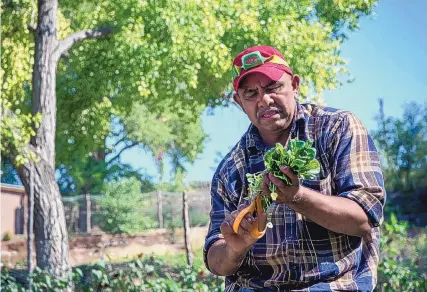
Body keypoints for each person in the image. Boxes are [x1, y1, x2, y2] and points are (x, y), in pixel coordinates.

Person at [203, 45, 386, 291]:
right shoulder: (231, 169)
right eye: (251, 93)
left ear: (295, 85)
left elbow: (364, 218)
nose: (264, 100)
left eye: (272, 87)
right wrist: (235, 248)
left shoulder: (337, 129)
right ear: (239, 102)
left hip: (332, 286)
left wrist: (297, 197)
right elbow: (215, 259)